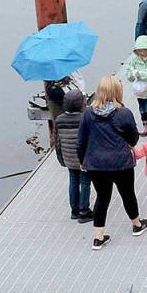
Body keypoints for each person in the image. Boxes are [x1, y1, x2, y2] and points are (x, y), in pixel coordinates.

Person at [76, 75, 147, 250]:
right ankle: (137, 225)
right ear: (117, 92)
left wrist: (82, 162)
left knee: (102, 197)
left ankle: (98, 238)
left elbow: (81, 142)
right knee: (127, 193)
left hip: (96, 165)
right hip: (121, 163)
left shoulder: (87, 114)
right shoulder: (124, 113)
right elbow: (133, 138)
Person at [54, 88, 92, 223]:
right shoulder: (84, 118)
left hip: (68, 158)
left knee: (73, 181)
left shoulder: (59, 120)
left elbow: (57, 142)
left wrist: (61, 159)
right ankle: (84, 211)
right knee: (85, 182)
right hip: (83, 158)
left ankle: (74, 210)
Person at [126, 35, 147, 129]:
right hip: (140, 91)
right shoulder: (134, 60)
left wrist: (140, 74)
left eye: (143, 50)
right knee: (142, 110)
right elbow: (128, 74)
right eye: (139, 50)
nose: (141, 53)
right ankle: (146, 127)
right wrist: (133, 74)